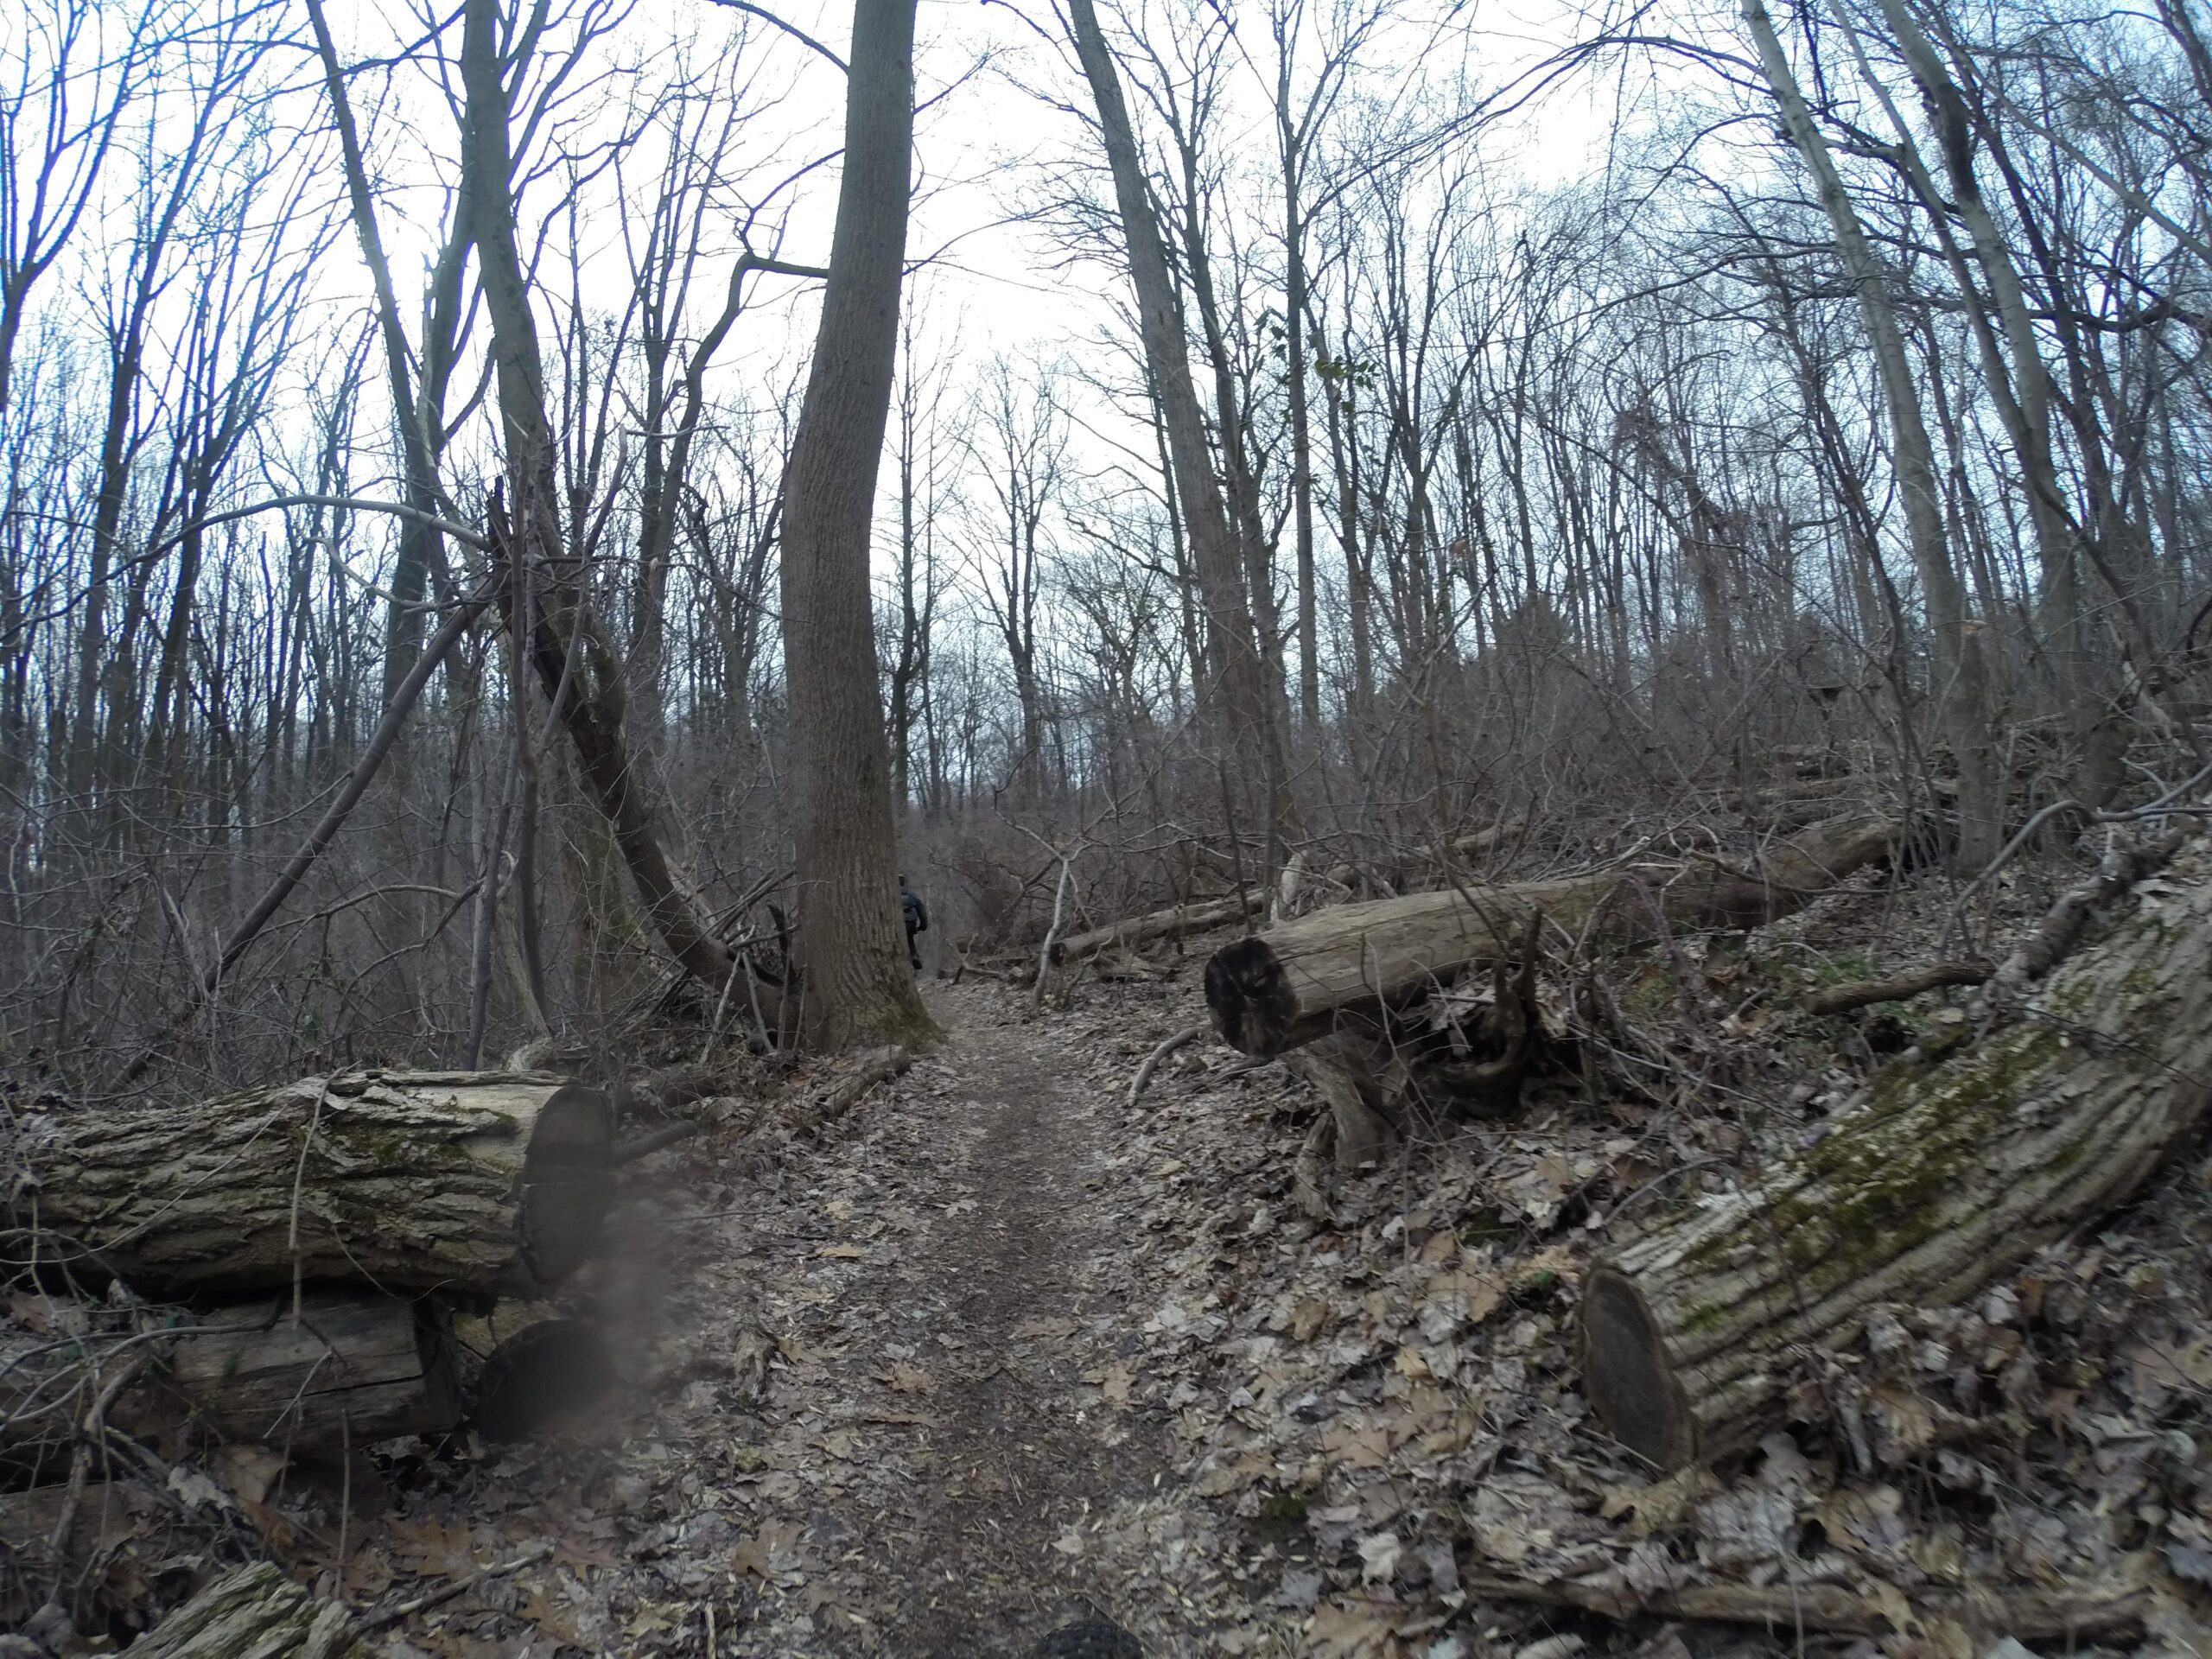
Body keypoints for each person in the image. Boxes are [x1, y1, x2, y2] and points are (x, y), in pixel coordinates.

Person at [899, 874, 928, 970]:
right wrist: (923, 926)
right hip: (910, 922)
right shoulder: (911, 894)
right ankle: (914, 956)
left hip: (896, 923)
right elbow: (921, 910)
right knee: (909, 939)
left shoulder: (886, 894)